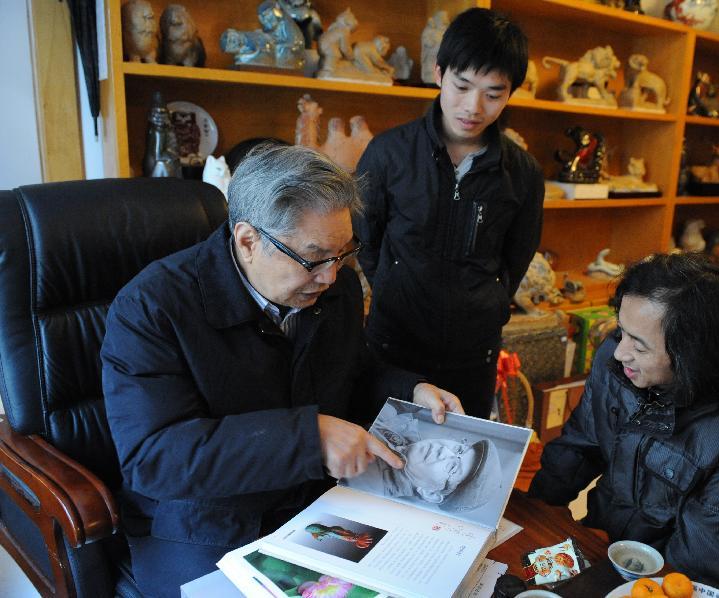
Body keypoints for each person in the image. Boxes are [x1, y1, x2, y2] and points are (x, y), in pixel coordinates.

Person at [101, 144, 462, 597]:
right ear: (248, 240)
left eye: (343, 252)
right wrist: (309, 437)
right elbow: (154, 459)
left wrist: (412, 388)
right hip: (206, 518)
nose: (331, 276)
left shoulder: (333, 286)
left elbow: (353, 368)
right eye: (314, 257)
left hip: (313, 501)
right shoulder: (152, 308)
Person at [528, 253, 719, 598]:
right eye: (622, 331)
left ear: (694, 357)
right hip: (602, 547)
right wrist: (532, 519)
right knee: (512, 575)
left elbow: (703, 576)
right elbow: (579, 444)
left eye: (640, 345)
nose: (619, 353)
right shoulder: (622, 363)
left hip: (666, 582)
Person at [354, 8, 544, 419]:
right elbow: (365, 238)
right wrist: (395, 284)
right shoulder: (388, 153)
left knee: (459, 464)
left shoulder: (523, 172)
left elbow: (517, 255)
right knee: (382, 464)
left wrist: (488, 301)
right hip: (394, 345)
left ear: (511, 92)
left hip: (473, 353)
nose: (473, 107)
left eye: (493, 94)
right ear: (439, 74)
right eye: (462, 86)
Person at [353, 401, 502, 511]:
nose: (445, 451)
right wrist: (416, 390)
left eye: (452, 468)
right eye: (459, 449)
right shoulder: (409, 430)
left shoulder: (367, 482)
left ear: (430, 493)